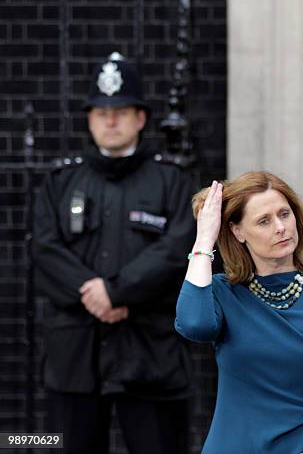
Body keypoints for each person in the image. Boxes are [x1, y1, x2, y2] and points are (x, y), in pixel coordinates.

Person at [33, 52, 195, 454]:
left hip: (150, 357)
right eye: (101, 112)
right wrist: (94, 293)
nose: (110, 120)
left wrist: (117, 291)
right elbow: (44, 248)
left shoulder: (171, 181)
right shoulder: (61, 182)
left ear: (140, 118)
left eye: (121, 111)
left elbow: (178, 250)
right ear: (89, 119)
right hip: (75, 359)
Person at [175, 172, 303, 454]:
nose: (280, 227)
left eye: (284, 214)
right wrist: (204, 240)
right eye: (264, 221)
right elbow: (194, 325)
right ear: (238, 232)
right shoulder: (223, 292)